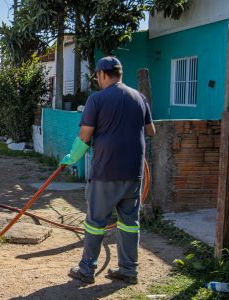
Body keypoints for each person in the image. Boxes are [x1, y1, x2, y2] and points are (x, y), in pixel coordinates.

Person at [60, 57, 156, 284]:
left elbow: (85, 135)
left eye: (97, 76)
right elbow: (151, 131)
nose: (97, 80)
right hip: (133, 173)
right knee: (129, 224)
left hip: (106, 171)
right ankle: (129, 271)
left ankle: (86, 269)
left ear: (103, 74)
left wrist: (72, 157)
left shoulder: (97, 99)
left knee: (95, 222)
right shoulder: (139, 97)